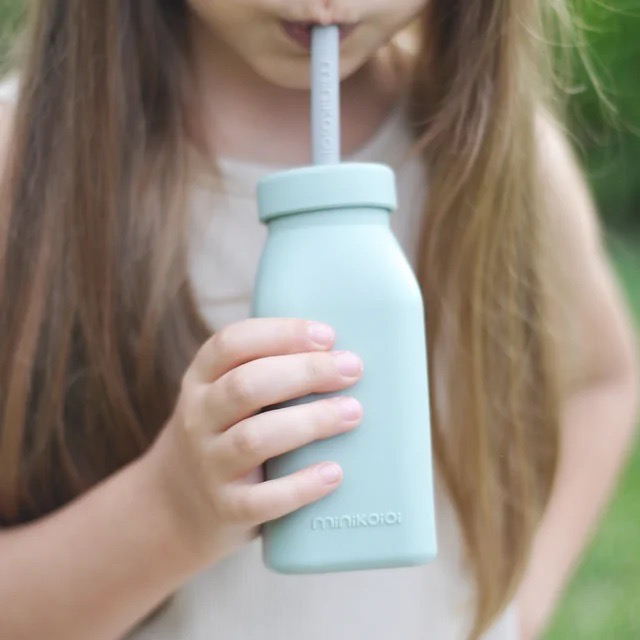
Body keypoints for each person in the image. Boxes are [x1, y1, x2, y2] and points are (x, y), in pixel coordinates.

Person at [0, 1, 637, 639]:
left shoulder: (489, 150)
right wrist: (171, 510)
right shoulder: (22, 167)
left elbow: (599, 383)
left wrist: (521, 606)